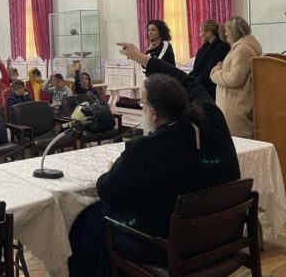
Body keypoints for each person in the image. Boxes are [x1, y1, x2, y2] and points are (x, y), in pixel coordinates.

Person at [68, 42, 240, 276]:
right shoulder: (212, 117)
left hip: (173, 247)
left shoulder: (145, 149)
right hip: (222, 234)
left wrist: (115, 168)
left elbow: (107, 190)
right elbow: (191, 82)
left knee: (88, 220)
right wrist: (142, 58)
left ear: (153, 113)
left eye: (143, 104)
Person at [210, 16, 262, 138]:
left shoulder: (243, 50)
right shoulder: (239, 48)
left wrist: (216, 73)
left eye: (227, 30)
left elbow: (235, 78)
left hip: (236, 109)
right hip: (232, 106)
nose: (225, 33)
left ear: (235, 31)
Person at [189, 20, 231, 100]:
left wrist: (194, 83)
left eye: (201, 32)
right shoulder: (205, 47)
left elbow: (209, 72)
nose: (199, 35)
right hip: (201, 85)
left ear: (208, 33)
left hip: (211, 89)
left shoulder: (221, 47)